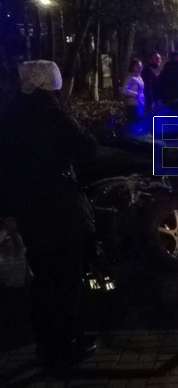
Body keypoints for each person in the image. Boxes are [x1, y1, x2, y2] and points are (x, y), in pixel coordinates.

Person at [2, 61, 98, 366]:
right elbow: (87, 147)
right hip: (61, 208)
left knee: (42, 280)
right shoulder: (53, 114)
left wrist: (9, 211)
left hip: (29, 211)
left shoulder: (11, 114)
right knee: (68, 280)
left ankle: (46, 344)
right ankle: (69, 342)